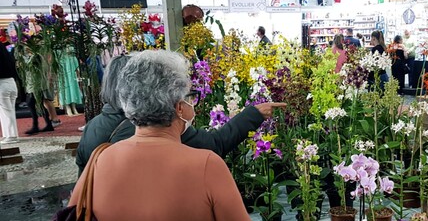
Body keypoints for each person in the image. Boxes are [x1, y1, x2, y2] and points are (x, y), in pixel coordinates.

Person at [68, 50, 288, 221]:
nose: (191, 103)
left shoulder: (100, 161)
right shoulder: (204, 164)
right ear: (178, 107)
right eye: (189, 96)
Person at [75, 55, 285, 176]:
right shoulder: (160, 125)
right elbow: (215, 144)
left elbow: (83, 178)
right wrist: (253, 114)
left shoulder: (92, 127)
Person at [0, 43, 19, 144]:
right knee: (9, 110)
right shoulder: (7, 54)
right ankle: (9, 134)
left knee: (6, 111)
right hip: (11, 82)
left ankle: (11, 136)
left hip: (2, 83)